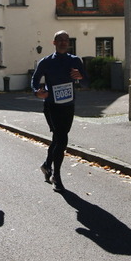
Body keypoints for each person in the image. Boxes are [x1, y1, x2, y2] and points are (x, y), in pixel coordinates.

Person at [31, 30, 88, 192]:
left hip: (68, 105)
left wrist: (80, 77)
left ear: (68, 43)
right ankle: (56, 176)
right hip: (52, 106)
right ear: (54, 42)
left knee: (58, 138)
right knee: (62, 139)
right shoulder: (46, 62)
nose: (63, 42)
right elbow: (35, 80)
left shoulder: (75, 60)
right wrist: (37, 91)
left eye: (66, 40)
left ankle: (47, 165)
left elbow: (86, 83)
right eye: (60, 39)